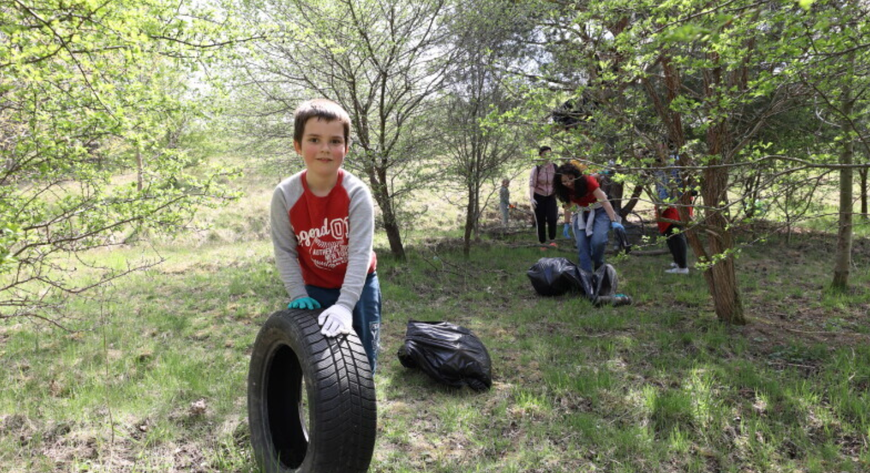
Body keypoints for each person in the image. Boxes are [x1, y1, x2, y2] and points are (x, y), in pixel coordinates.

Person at [270, 98, 381, 371]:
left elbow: (359, 253)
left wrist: (345, 305)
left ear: (346, 147)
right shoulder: (285, 195)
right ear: (298, 146)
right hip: (314, 288)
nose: (325, 149)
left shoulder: (356, 193)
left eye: (335, 141)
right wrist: (298, 293)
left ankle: (364, 404)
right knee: (320, 360)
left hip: (360, 284)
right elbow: (284, 250)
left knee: (363, 358)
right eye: (314, 140)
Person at [554, 161, 624, 272]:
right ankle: (586, 274)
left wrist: (614, 220)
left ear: (576, 176)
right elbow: (567, 205)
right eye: (564, 181)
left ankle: (598, 265)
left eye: (571, 179)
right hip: (581, 212)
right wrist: (567, 223)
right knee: (582, 244)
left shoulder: (587, 181)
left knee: (598, 241)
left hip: (599, 210)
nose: (568, 183)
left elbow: (604, 201)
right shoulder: (563, 189)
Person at [653, 145, 693, 275]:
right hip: (663, 203)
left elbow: (679, 186)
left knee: (675, 232)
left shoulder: (674, 165)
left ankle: (682, 267)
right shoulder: (658, 165)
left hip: (675, 204)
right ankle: (677, 261)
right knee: (668, 233)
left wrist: (667, 203)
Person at [529, 146, 559, 248]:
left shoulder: (554, 167)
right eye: (545, 154)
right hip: (539, 196)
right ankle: (542, 243)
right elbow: (532, 184)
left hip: (551, 196)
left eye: (549, 154)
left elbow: (559, 182)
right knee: (540, 220)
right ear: (540, 155)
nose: (547, 156)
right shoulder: (536, 168)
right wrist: (531, 198)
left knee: (552, 218)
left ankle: (552, 240)